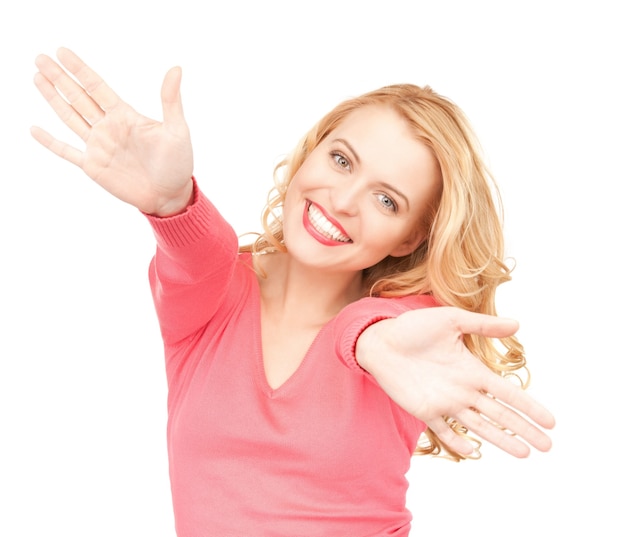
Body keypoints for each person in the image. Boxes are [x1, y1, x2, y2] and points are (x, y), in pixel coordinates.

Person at [31, 48, 555, 536]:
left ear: (412, 236)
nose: (344, 199)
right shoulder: (214, 295)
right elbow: (200, 252)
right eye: (342, 160)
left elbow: (373, 326)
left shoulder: (413, 332)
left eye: (387, 201)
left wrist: (369, 341)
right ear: (311, 151)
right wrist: (172, 201)